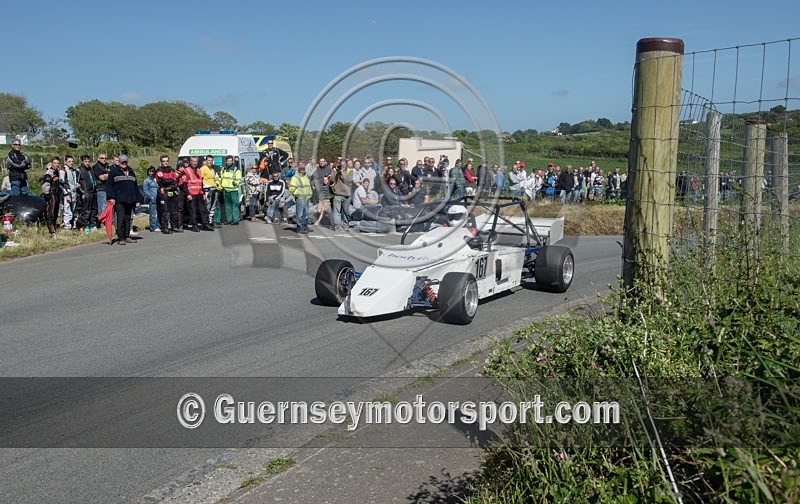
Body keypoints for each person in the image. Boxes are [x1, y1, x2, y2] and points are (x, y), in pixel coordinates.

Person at [105, 154, 140, 245]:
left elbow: (135, 186)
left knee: (128, 218)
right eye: (122, 162)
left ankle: (127, 236)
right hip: (119, 199)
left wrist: (138, 199)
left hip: (130, 199)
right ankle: (120, 237)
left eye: (125, 162)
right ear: (119, 162)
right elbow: (109, 186)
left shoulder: (131, 171)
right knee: (121, 218)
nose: (124, 163)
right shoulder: (114, 172)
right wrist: (111, 197)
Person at [183, 157, 212, 231]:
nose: (195, 163)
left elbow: (200, 182)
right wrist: (188, 194)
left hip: (199, 193)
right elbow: (184, 184)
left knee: (203, 210)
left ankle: (205, 224)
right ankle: (194, 225)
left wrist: (203, 193)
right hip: (191, 193)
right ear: (190, 162)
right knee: (193, 211)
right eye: (193, 161)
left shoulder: (199, 170)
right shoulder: (186, 171)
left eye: (196, 161)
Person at [156, 154, 181, 233]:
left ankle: (174, 226)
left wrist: (171, 180)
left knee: (174, 210)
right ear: (161, 162)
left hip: (173, 191)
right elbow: (164, 181)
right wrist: (171, 180)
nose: (165, 163)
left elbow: (177, 178)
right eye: (164, 161)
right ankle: (165, 227)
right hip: (164, 192)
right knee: (166, 211)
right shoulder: (159, 170)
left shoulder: (171, 169)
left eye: (167, 161)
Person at [40, 156, 64, 235]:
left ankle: (54, 228)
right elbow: (45, 185)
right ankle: (51, 231)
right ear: (51, 163)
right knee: (51, 213)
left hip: (56, 195)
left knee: (56, 213)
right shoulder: (49, 173)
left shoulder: (57, 172)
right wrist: (47, 195)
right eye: (55, 163)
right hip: (51, 196)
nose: (56, 165)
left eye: (58, 163)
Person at [216, 155, 242, 225]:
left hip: (233, 190)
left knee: (235, 206)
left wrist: (235, 183)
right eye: (228, 161)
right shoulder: (223, 168)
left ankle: (236, 220)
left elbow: (239, 179)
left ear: (232, 161)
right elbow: (220, 177)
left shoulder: (236, 169)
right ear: (226, 161)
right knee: (227, 206)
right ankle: (229, 219)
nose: (229, 162)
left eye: (230, 161)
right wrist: (219, 185)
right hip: (226, 190)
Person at [288, 162, 312, 234]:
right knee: (300, 214)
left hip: (306, 198)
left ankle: (305, 227)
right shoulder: (295, 177)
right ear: (298, 169)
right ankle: (300, 228)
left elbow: (308, 187)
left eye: (303, 168)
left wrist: (309, 194)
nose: (302, 169)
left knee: (306, 214)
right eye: (301, 168)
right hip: (300, 198)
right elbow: (291, 188)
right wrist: (298, 194)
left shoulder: (306, 176)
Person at [77, 154, 97, 231]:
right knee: (86, 210)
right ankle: (86, 226)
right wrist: (82, 192)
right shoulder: (79, 170)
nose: (87, 163)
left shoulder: (90, 169)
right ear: (82, 162)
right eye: (85, 161)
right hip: (85, 192)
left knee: (93, 209)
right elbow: (78, 183)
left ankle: (93, 224)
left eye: (88, 161)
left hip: (93, 191)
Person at [330, 159, 352, 232]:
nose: (342, 166)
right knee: (337, 212)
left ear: (346, 164)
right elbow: (332, 179)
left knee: (346, 211)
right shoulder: (336, 170)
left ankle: (345, 225)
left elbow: (348, 180)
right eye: (341, 164)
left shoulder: (350, 171)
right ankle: (337, 226)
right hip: (338, 194)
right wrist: (336, 172)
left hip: (347, 194)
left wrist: (342, 173)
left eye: (344, 164)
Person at [201, 155, 221, 226]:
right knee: (207, 206)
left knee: (213, 206)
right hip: (207, 190)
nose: (210, 162)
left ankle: (210, 221)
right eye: (208, 160)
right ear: (206, 161)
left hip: (214, 189)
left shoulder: (212, 169)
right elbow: (201, 180)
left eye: (211, 160)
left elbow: (214, 179)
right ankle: (206, 222)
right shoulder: (203, 169)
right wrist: (202, 191)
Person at [60, 155, 79, 230]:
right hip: (67, 193)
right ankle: (67, 227)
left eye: (72, 161)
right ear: (65, 162)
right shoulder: (63, 171)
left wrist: (76, 185)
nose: (71, 163)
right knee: (68, 211)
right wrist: (66, 194)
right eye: (69, 161)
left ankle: (73, 226)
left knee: (74, 210)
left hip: (74, 193)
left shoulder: (73, 171)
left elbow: (73, 182)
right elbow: (61, 184)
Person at [92, 152, 110, 226]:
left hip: (108, 189)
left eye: (105, 158)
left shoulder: (107, 166)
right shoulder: (96, 167)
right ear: (98, 159)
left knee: (108, 207)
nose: (104, 160)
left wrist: (107, 175)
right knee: (102, 208)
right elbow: (102, 178)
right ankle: (102, 224)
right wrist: (109, 175)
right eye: (102, 158)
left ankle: (107, 223)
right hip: (100, 189)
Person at [142, 166, 160, 232]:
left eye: (153, 171)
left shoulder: (156, 180)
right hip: (152, 199)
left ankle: (158, 225)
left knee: (158, 213)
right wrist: (150, 196)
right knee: (153, 213)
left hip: (158, 198)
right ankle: (153, 227)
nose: (152, 173)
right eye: (150, 171)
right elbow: (145, 190)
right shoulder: (146, 181)